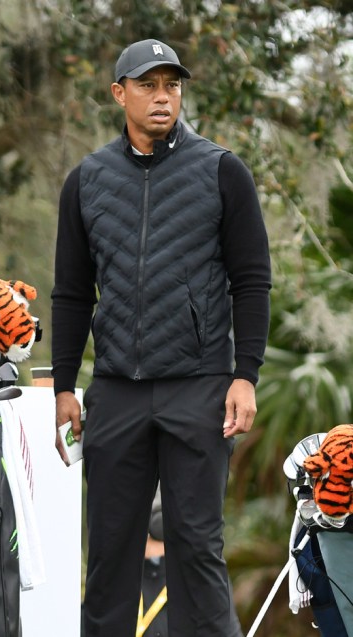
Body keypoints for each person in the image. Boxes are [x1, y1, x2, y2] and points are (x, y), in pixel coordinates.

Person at [51, 38, 271, 636]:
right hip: (117, 390)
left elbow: (252, 282)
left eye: (172, 85)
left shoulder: (222, 171)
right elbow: (71, 292)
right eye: (148, 85)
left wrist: (244, 375)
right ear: (120, 93)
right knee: (109, 555)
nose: (162, 96)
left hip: (199, 386)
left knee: (196, 547)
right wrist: (64, 386)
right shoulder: (88, 180)